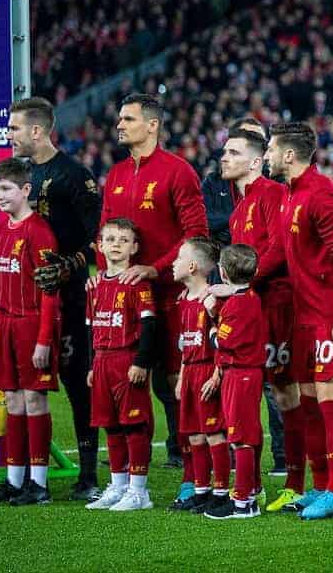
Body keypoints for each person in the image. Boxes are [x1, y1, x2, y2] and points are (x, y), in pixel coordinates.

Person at [98, 92, 208, 487]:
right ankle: (129, 479)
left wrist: (155, 268)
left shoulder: (178, 172)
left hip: (171, 297)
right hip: (126, 301)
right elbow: (105, 234)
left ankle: (197, 472)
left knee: (180, 384)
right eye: (120, 120)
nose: (120, 126)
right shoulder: (115, 175)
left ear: (152, 124)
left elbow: (197, 235)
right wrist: (103, 278)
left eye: (128, 119)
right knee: (132, 381)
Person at [263, 122, 333, 520]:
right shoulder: (290, 195)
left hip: (326, 316)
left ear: (289, 154)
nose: (266, 155)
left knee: (328, 400)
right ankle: (319, 486)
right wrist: (237, 283)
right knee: (307, 402)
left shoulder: (321, 195)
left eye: (270, 149)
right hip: (303, 315)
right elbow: (279, 255)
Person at [8, 97, 104, 499]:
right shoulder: (21, 174)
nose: (8, 134)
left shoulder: (74, 175)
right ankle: (26, 476)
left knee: (76, 383)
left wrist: (70, 265)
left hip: (69, 297)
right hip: (29, 299)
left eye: (14, 128)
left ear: (36, 130)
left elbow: (98, 236)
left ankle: (88, 475)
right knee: (26, 386)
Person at [218, 123, 300, 511]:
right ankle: (251, 484)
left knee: (284, 391)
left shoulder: (271, 194)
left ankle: (296, 478)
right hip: (253, 305)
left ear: (255, 161)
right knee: (252, 390)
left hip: (276, 304)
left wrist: (244, 284)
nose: (224, 157)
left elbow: (281, 247)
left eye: (233, 152)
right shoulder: (240, 206)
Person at [0, 159, 60, 507]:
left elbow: (49, 291)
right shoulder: (0, 231)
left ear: (25, 190)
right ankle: (14, 482)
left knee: (33, 399)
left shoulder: (39, 231)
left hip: (30, 324)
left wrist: (44, 339)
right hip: (6, 325)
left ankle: (38, 485)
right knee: (12, 399)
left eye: (7, 189)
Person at [84, 218, 159, 512]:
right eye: (110, 239)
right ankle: (117, 486)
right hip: (102, 361)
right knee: (110, 426)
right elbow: (91, 329)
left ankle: (139, 491)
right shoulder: (94, 285)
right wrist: (91, 365)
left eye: (124, 240)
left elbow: (150, 325)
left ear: (135, 247)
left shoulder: (137, 284)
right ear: (99, 246)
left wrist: (141, 362)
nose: (116, 244)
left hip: (127, 360)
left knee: (134, 425)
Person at [205, 244, 266, 520]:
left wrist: (212, 323)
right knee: (246, 435)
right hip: (247, 373)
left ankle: (242, 502)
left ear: (221, 272)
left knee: (240, 438)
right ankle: (249, 493)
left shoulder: (236, 306)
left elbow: (223, 342)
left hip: (239, 374)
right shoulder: (251, 297)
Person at [170, 238, 230, 514]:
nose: (173, 262)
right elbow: (185, 345)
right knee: (194, 436)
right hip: (191, 372)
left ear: (192, 266)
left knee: (213, 434)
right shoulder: (183, 302)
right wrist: (182, 377)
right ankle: (201, 490)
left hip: (208, 371)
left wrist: (217, 376)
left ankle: (220, 492)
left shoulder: (211, 300)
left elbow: (223, 343)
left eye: (179, 257)